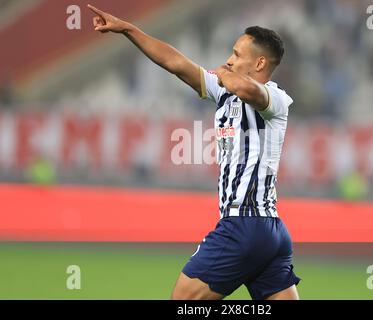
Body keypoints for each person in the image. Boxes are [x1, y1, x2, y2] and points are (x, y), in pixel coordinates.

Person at [88, 4, 300, 300]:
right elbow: (176, 62)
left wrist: (227, 77)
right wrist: (128, 29)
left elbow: (254, 93)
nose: (229, 60)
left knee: (183, 302)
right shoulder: (225, 93)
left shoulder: (275, 99)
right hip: (270, 233)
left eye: (237, 55)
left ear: (260, 63)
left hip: (244, 224)